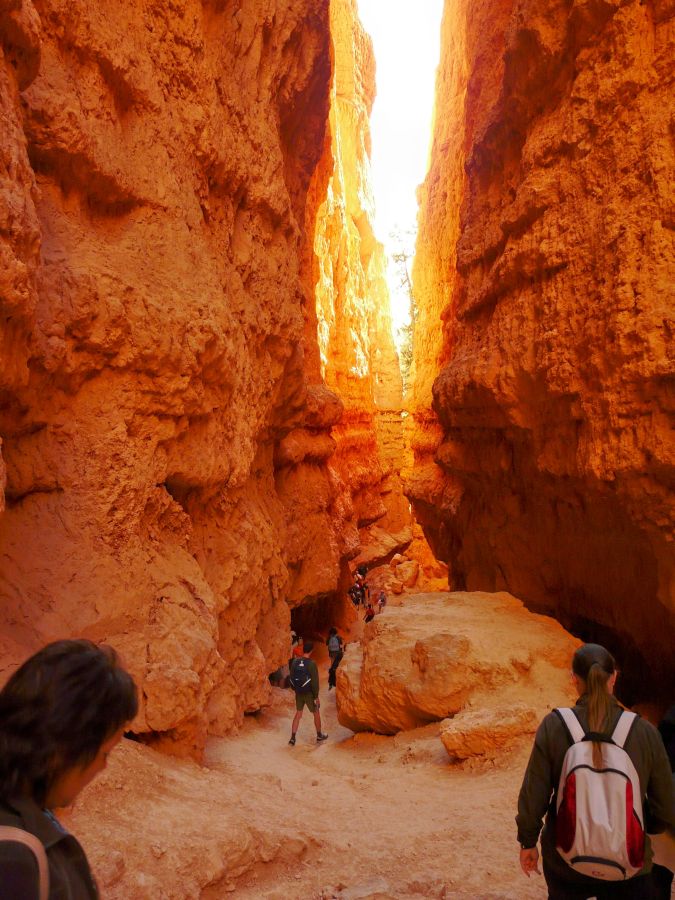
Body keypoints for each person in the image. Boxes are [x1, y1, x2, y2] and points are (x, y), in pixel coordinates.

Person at [516, 643, 675, 900]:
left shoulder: (554, 726)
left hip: (565, 860)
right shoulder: (645, 733)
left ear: (573, 680)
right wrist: (642, 824)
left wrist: (527, 842)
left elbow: (534, 795)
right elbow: (666, 807)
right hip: (629, 862)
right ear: (614, 677)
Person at [0, 639, 138, 899]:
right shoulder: (13, 856)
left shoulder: (30, 814)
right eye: (104, 753)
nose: (103, 767)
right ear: (64, 750)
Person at [288, 641, 328, 746]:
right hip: (309, 693)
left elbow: (291, 676)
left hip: (298, 692)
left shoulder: (295, 662)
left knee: (298, 714)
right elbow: (315, 682)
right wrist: (316, 696)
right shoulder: (311, 664)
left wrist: (295, 688)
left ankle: (292, 738)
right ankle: (319, 735)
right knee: (316, 713)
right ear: (311, 651)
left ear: (303, 649)